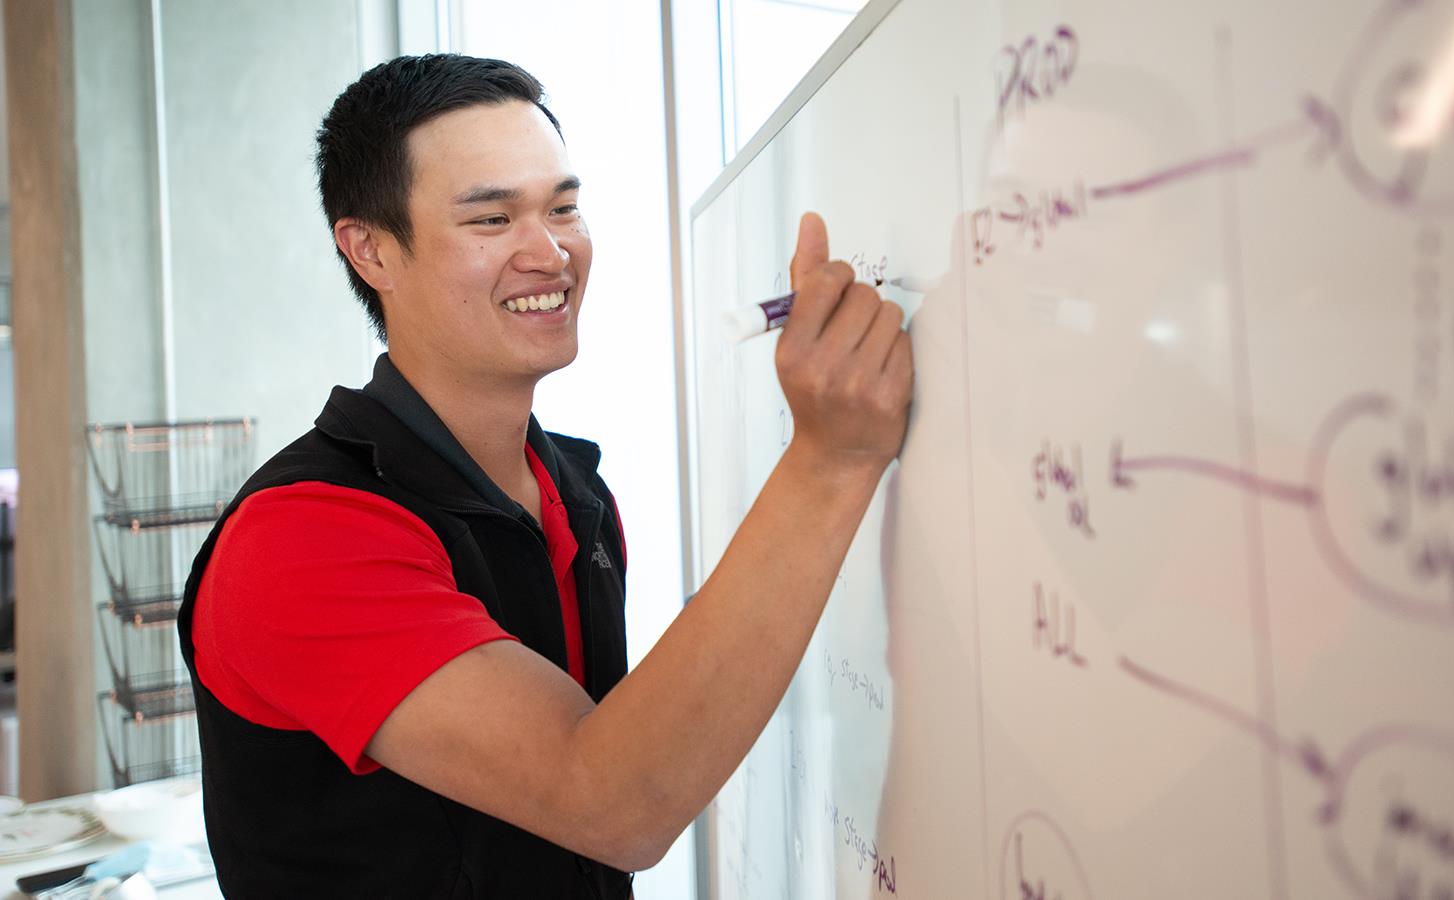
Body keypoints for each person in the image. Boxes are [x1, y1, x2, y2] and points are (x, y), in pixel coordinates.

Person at [176, 53, 912, 896]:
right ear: (370, 250)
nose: (551, 251)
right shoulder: (302, 540)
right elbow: (612, 802)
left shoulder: (575, 492)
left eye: (563, 207)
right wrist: (830, 458)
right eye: (492, 219)